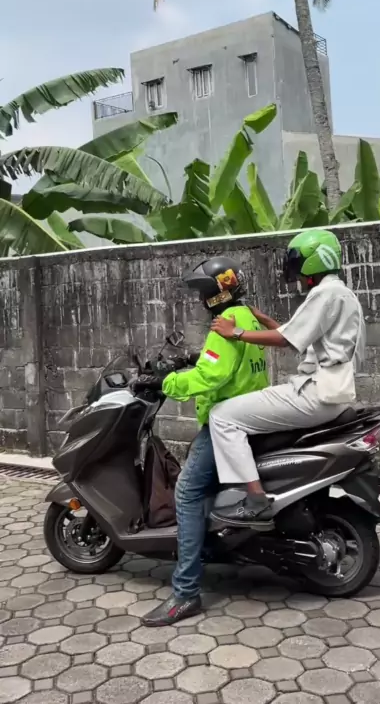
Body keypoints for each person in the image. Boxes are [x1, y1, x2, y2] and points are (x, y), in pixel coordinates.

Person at [137, 256, 270, 627]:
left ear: (215, 293)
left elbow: (211, 377)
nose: (199, 300)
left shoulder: (224, 325)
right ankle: (210, 547)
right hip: (250, 414)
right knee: (205, 489)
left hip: (226, 423)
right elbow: (228, 361)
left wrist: (164, 382)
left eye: (202, 293)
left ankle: (185, 593)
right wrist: (194, 357)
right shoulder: (246, 317)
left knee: (187, 493)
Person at [208, 228, 366, 529]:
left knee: (222, 417)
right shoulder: (342, 294)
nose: (295, 269)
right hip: (332, 392)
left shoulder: (326, 294)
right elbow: (302, 337)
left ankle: (256, 500)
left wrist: (236, 332)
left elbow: (286, 339)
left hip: (316, 392)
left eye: (298, 261)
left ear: (314, 261)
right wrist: (267, 321)